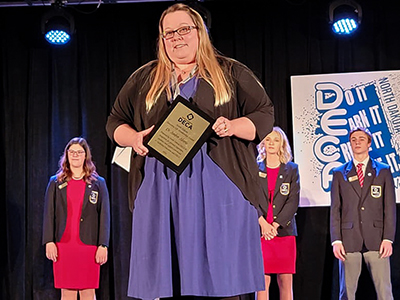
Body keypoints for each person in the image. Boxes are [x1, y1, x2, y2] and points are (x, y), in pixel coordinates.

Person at [106, 3, 274, 299]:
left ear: (200, 32)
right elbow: (115, 122)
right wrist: (133, 138)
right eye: (168, 33)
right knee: (168, 281)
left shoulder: (230, 72)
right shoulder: (146, 78)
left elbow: (264, 115)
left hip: (219, 184)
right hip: (160, 187)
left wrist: (233, 125)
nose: (176, 37)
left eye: (184, 29)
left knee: (221, 281)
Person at [330, 127, 396, 300]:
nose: (357, 142)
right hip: (349, 240)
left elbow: (389, 207)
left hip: (377, 240)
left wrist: (388, 238)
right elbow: (335, 209)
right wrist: (336, 240)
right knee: (347, 292)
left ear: (369, 143)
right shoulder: (339, 173)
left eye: (361, 139)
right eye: (353, 139)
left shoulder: (382, 171)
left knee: (384, 292)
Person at [42, 137, 110, 300]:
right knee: (67, 292)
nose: (75, 155)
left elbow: (105, 216)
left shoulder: (98, 183)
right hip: (63, 246)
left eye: (79, 152)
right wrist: (49, 241)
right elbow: (48, 213)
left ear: (86, 155)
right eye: (71, 152)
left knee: (88, 292)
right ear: (66, 155)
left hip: (89, 247)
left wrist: (103, 244)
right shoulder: (55, 182)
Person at [256, 127, 299, 300]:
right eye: (268, 139)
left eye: (275, 140)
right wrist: (263, 224)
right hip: (260, 232)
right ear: (263, 144)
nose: (271, 143)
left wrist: (274, 225)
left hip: (283, 233)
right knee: (261, 282)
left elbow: (292, 201)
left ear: (281, 144)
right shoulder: (254, 168)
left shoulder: (291, 169)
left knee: (285, 282)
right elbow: (250, 199)